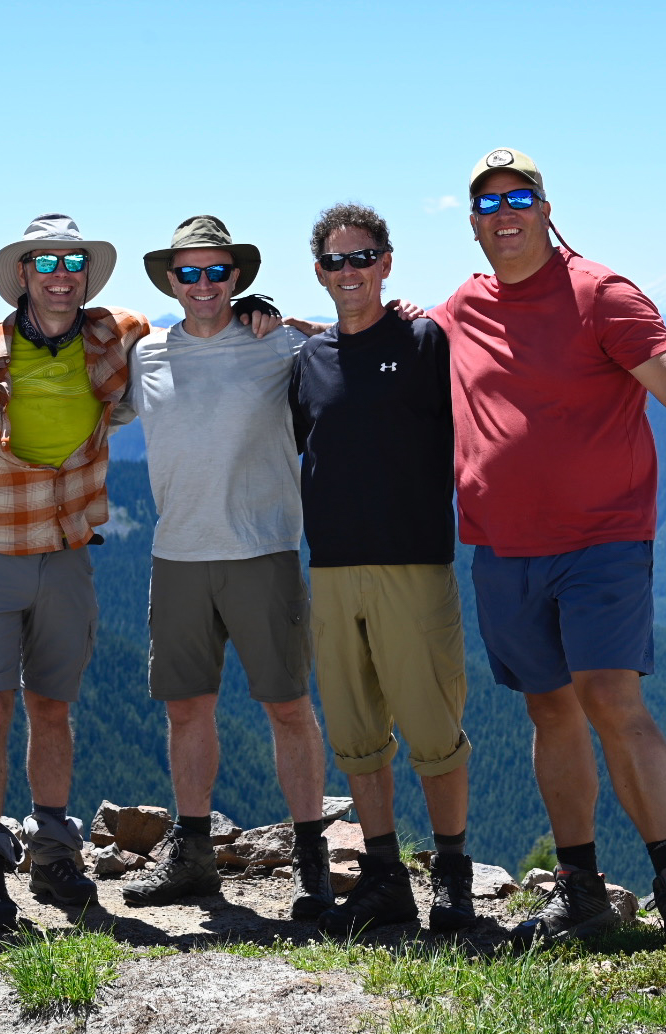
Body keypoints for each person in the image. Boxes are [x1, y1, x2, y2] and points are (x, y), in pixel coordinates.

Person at [431, 148, 666, 947]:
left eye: (520, 197)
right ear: (473, 224)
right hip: (502, 546)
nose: (504, 212)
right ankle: (580, 886)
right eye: (487, 204)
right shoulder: (464, 304)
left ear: (548, 210)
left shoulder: (600, 292)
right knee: (550, 709)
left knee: (612, 701)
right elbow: (404, 333)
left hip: (601, 539)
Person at [117, 215, 337, 920]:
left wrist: (284, 313)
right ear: (171, 281)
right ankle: (193, 856)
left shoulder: (276, 344)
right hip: (177, 553)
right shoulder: (145, 353)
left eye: (218, 272)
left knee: (287, 705)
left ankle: (312, 862)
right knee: (187, 709)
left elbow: (348, 344)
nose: (204, 284)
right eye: (190, 272)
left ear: (238, 278)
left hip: (262, 551)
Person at [0, 213, 150, 929]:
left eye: (73, 261)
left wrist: (256, 310)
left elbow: (188, 324)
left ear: (86, 276)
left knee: (53, 705)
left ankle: (55, 851)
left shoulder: (114, 335)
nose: (61, 274)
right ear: (23, 275)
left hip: (66, 551)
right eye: (46, 261)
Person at [289, 203, 477, 937]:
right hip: (332, 568)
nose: (349, 272)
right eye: (335, 262)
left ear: (387, 263)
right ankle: (385, 877)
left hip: (413, 563)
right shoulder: (310, 361)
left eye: (362, 257)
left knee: (434, 728)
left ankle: (453, 880)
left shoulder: (426, 339)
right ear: (319, 273)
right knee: (357, 732)